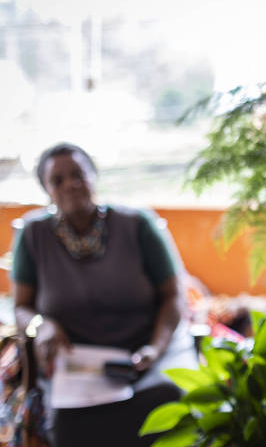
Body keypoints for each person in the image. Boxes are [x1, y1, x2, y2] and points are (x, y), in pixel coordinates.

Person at [10, 142, 198, 447]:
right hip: (80, 363)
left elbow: (174, 295)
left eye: (78, 174)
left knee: (168, 399)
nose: (70, 184)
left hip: (147, 354)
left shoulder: (138, 224)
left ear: (93, 176)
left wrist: (156, 347)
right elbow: (21, 307)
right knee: (67, 422)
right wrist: (42, 325)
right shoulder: (33, 235)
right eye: (57, 180)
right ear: (46, 189)